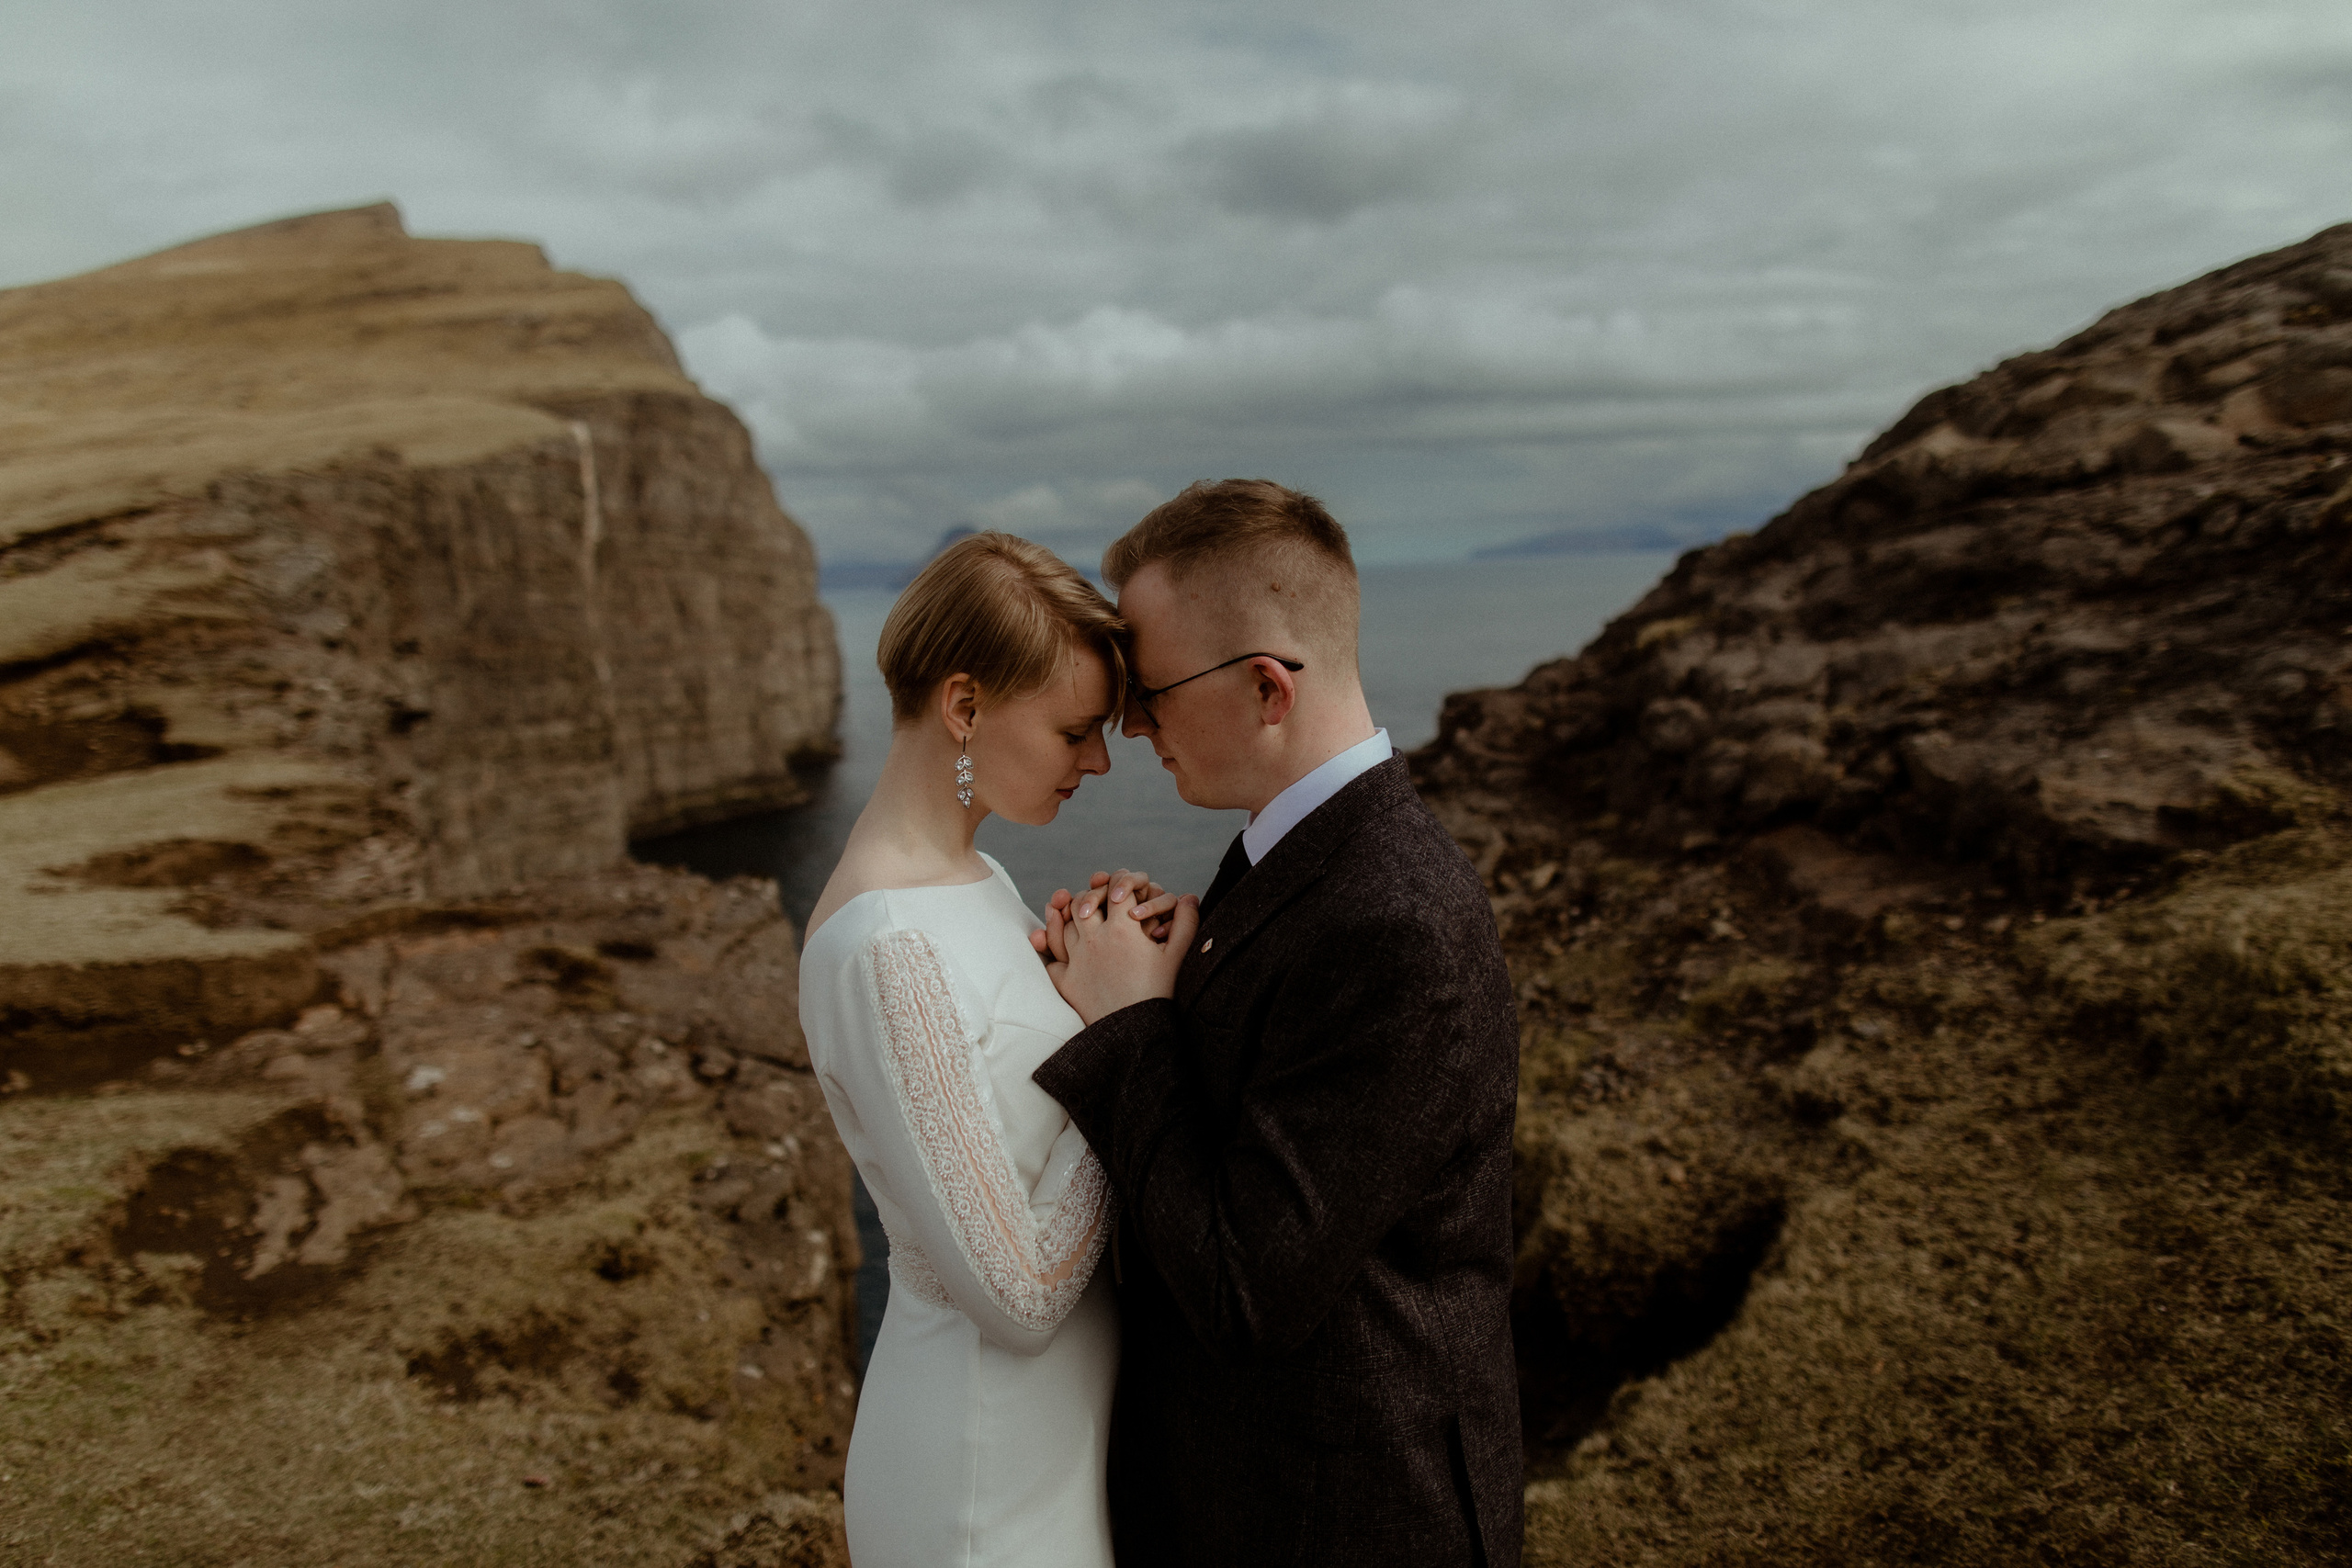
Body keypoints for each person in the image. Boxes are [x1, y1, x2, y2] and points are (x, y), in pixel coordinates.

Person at [1029, 479, 1524, 1567]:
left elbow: (1249, 1289)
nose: (1133, 723)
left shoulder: (1397, 917)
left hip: (1348, 1517)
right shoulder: (1293, 851)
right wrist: (1164, 961)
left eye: (1150, 690)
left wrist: (1132, 1022)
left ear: (1265, 688)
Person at [798, 533, 1182, 1568]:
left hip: (1055, 1449)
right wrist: (1123, 1035)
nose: (1099, 760)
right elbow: (1019, 1295)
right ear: (963, 708)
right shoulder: (887, 946)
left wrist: (1089, 973)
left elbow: (1022, 1106)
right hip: (977, 1483)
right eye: (1073, 730)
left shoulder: (978, 880)